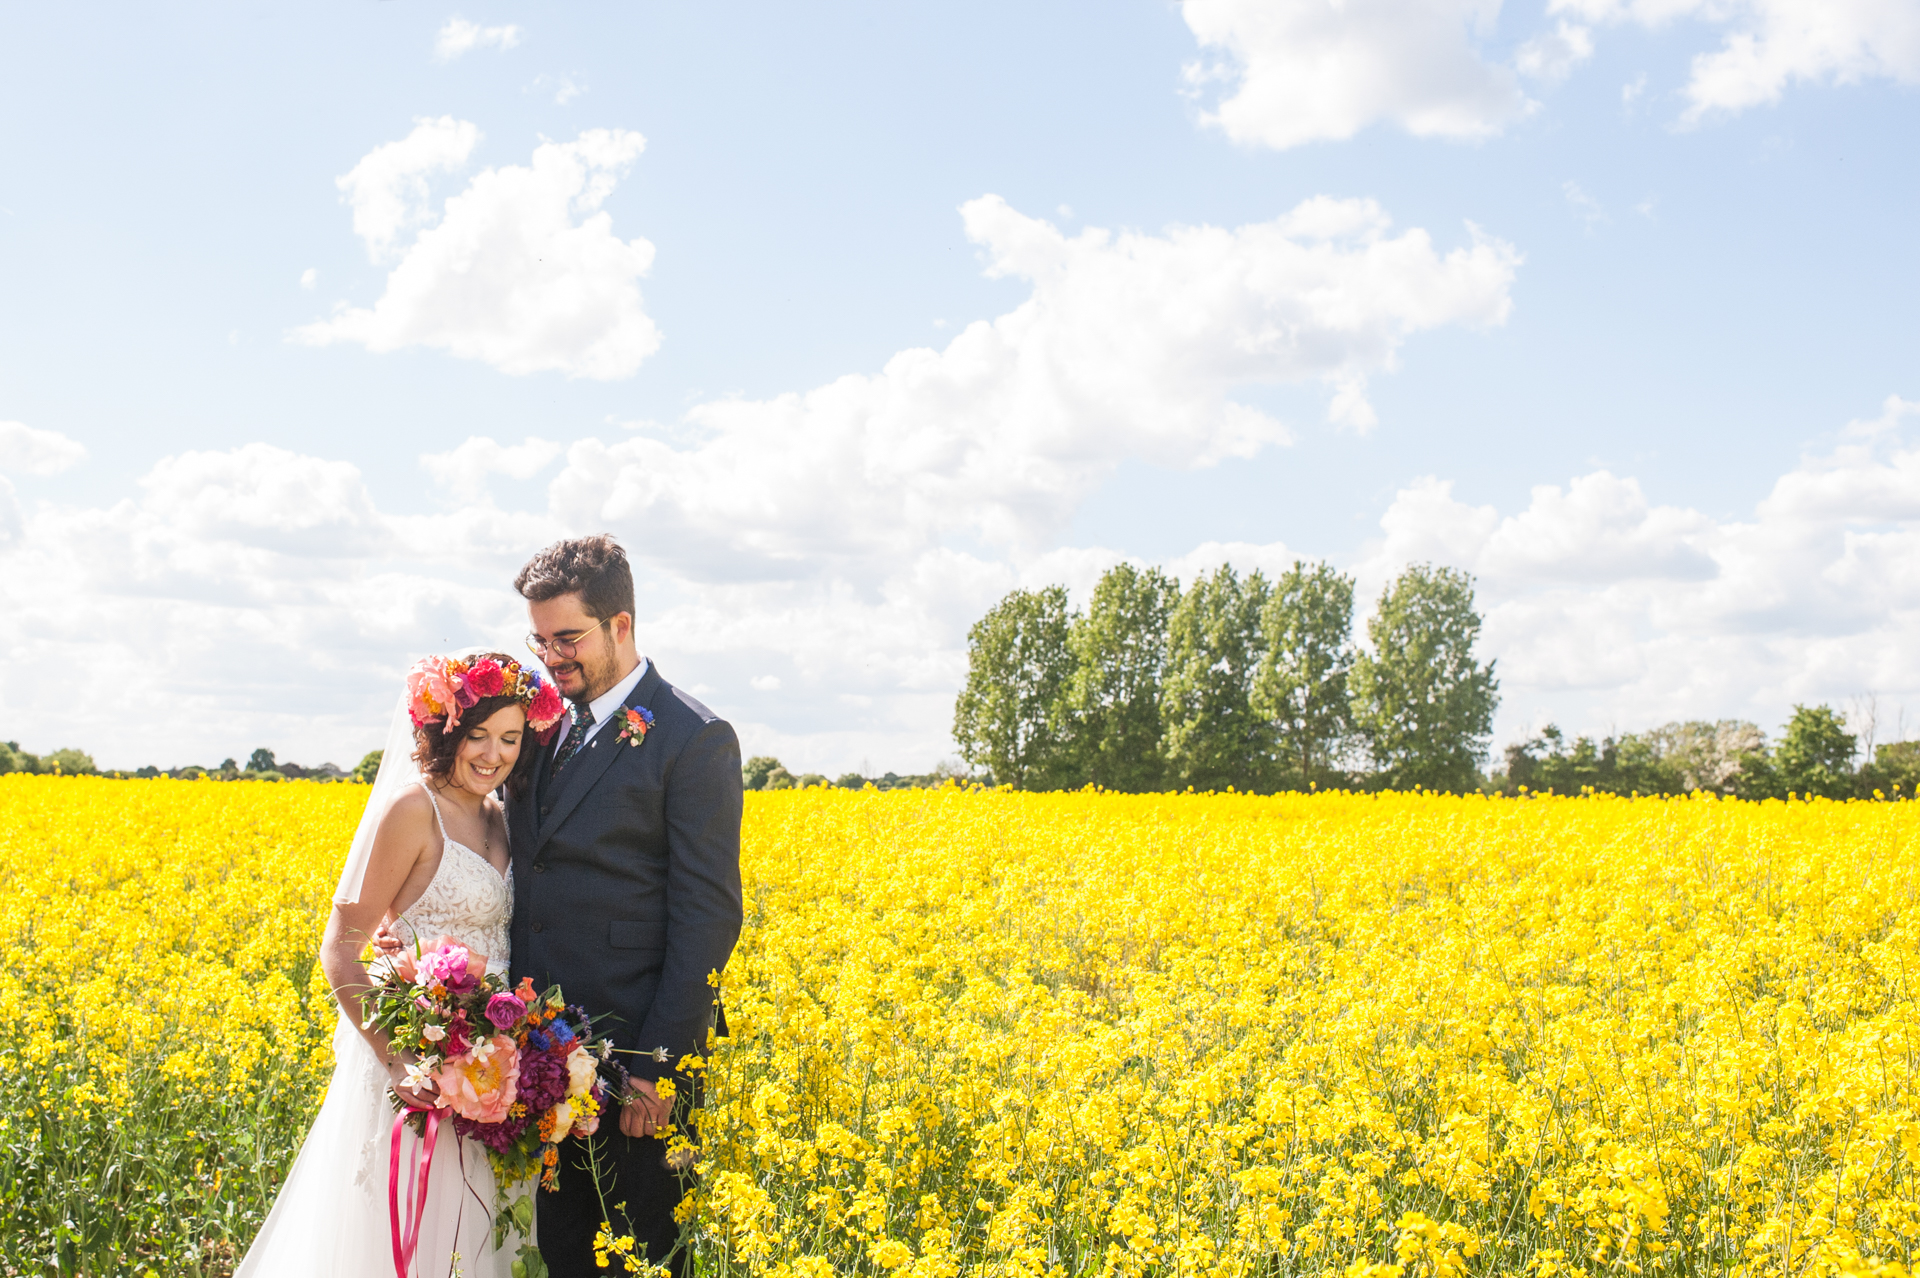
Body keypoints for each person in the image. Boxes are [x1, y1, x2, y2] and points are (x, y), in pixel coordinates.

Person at [235, 651, 556, 1278]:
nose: (494, 754)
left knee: (478, 1237)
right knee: (403, 1237)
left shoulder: (502, 814)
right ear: (448, 732)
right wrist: (398, 1057)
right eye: (478, 735)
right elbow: (340, 946)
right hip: (413, 1068)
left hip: (491, 1073)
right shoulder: (415, 810)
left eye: (511, 738)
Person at [509, 534, 744, 1277]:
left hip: (633, 1067)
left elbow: (709, 914)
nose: (552, 657)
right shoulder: (542, 726)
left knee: (637, 1261)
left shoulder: (693, 736)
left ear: (621, 625)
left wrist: (657, 1068)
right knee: (562, 1256)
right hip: (540, 1061)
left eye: (568, 637)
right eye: (541, 640)